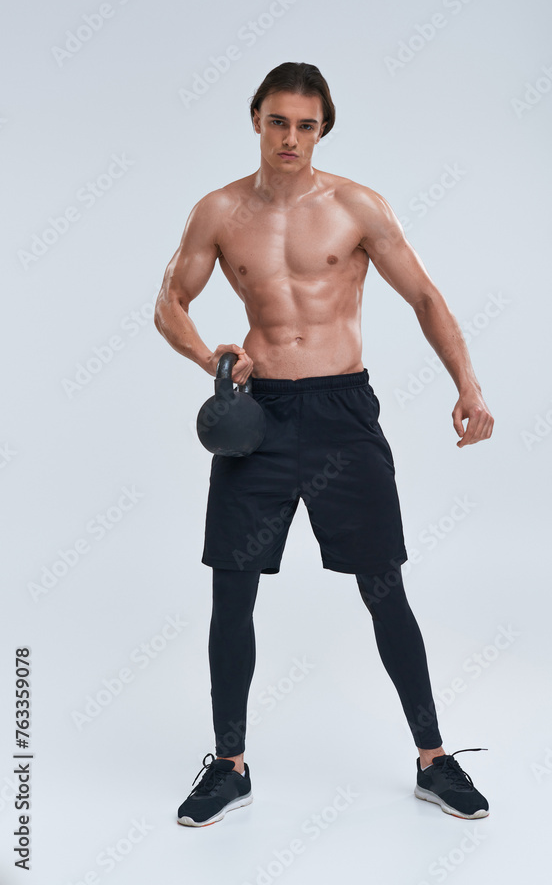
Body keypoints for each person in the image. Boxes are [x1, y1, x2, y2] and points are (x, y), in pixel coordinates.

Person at [154, 62, 494, 828]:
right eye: (278, 121)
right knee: (232, 590)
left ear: (322, 130)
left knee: (383, 589)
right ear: (256, 119)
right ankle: (229, 766)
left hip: (343, 413)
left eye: (305, 126)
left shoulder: (355, 205)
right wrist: (210, 356)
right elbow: (170, 301)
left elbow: (424, 296)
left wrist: (467, 386)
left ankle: (433, 760)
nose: (290, 137)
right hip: (258, 415)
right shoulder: (217, 210)